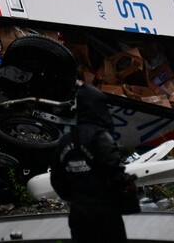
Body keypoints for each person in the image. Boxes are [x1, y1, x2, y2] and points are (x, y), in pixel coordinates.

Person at [50, 85, 129, 242]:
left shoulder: (65, 140)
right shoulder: (101, 138)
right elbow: (116, 175)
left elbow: (57, 179)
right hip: (104, 212)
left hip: (78, 212)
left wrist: (76, 198)